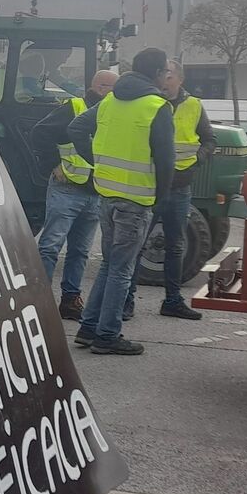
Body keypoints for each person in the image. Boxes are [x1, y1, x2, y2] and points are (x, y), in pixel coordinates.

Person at [68, 48, 176, 356]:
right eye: (166, 72)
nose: (167, 77)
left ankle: (89, 328)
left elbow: (76, 128)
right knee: (121, 270)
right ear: (157, 73)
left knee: (109, 265)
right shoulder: (157, 107)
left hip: (107, 193)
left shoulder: (110, 101)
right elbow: (166, 161)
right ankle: (107, 335)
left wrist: (96, 163)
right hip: (137, 198)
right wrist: (162, 198)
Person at [31, 69, 119, 319]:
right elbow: (40, 132)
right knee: (50, 246)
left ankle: (70, 300)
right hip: (67, 188)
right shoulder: (74, 107)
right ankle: (41, 303)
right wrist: (52, 165)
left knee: (80, 251)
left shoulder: (109, 112)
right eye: (114, 90)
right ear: (102, 87)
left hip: (93, 191)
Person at [153, 61, 212, 320]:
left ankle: (173, 301)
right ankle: (126, 301)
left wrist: (198, 158)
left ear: (179, 79)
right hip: (151, 185)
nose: (164, 79)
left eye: (168, 75)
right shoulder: (151, 102)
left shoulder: (194, 105)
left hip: (179, 187)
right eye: (162, 74)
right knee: (138, 243)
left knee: (176, 245)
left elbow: (209, 139)